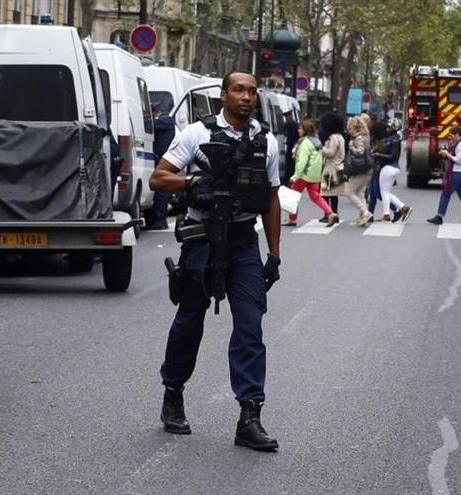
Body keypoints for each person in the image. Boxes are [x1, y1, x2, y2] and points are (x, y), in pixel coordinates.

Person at [149, 71, 282, 452]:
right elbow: (159, 178)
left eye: (252, 91)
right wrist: (191, 183)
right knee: (190, 321)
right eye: (239, 90)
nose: (246, 97)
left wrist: (273, 256)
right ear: (223, 95)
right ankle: (173, 393)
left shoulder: (265, 142)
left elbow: (272, 200)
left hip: (243, 243)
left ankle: (249, 416)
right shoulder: (197, 133)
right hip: (202, 240)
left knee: (250, 327)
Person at [284, 118, 338, 227]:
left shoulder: (305, 143)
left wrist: (295, 176)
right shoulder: (317, 142)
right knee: (315, 196)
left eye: (300, 128)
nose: (298, 130)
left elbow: (302, 161)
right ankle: (330, 213)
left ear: (305, 129)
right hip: (314, 175)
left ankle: (292, 219)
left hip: (303, 175)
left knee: (293, 197)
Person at [370, 119, 411, 222]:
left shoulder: (394, 140)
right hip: (386, 167)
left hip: (387, 167)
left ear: (394, 128)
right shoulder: (390, 138)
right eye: (387, 127)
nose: (387, 129)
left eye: (389, 127)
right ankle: (402, 208)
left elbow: (393, 156)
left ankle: (388, 214)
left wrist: (378, 155)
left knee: (383, 193)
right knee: (383, 193)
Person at [145, 103, 176, 230]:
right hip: (161, 158)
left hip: (164, 159)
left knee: (161, 191)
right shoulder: (165, 121)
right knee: (161, 190)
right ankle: (158, 219)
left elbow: (151, 125)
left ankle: (160, 219)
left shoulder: (166, 120)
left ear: (157, 112)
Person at [344, 116, 375, 226]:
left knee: (349, 192)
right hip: (367, 169)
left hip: (362, 170)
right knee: (360, 193)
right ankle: (362, 218)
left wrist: (351, 147)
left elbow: (360, 152)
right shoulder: (366, 137)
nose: (348, 130)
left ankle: (365, 213)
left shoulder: (358, 138)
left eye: (349, 127)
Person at [319, 112, 345, 217]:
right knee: (334, 194)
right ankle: (334, 212)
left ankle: (328, 214)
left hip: (331, 167)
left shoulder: (333, 137)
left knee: (326, 193)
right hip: (338, 166)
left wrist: (321, 148)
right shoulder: (340, 137)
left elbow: (331, 153)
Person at [283, 111, 299, 181]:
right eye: (286, 117)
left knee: (293, 166)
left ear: (291, 116)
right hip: (288, 147)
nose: (287, 119)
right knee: (287, 165)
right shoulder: (285, 126)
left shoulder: (296, 126)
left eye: (288, 117)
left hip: (294, 148)